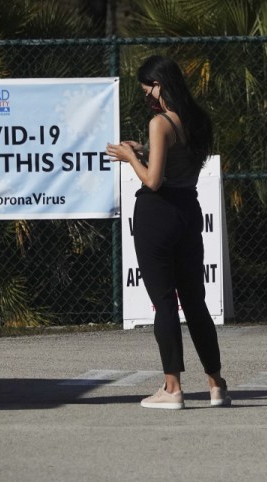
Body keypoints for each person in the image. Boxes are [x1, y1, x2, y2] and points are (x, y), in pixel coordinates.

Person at [106, 55, 231, 409]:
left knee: (164, 303)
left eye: (148, 91)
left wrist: (130, 157)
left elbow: (153, 180)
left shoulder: (160, 122)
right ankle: (216, 384)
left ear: (159, 85)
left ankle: (172, 387)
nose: (147, 98)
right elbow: (177, 161)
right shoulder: (198, 119)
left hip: (156, 216)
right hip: (188, 213)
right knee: (195, 301)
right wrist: (145, 150)